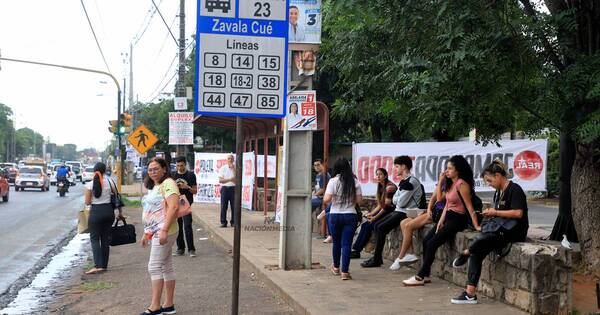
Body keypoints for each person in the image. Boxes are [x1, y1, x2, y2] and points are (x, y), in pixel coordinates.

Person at [450, 160, 528, 304]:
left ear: (498, 176)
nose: (489, 184)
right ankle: (470, 294)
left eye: (490, 180)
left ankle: (466, 252)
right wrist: (490, 214)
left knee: (483, 241)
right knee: (477, 252)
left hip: (514, 231)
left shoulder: (514, 189)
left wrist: (496, 212)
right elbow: (499, 215)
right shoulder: (498, 193)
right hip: (500, 230)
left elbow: (518, 213)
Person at [403, 155, 481, 286]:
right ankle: (426, 274)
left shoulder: (462, 184)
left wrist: (476, 225)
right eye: (447, 168)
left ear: (458, 170)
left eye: (450, 169)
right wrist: (441, 220)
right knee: (427, 240)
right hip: (448, 217)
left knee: (433, 243)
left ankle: (420, 276)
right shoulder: (451, 184)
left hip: (458, 219)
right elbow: (443, 203)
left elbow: (469, 206)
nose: (447, 171)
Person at [361, 156, 423, 268]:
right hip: (399, 210)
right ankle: (377, 258)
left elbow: (401, 202)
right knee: (376, 225)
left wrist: (397, 199)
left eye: (397, 166)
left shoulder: (411, 182)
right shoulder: (404, 181)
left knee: (380, 227)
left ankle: (377, 259)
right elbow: (395, 200)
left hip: (406, 212)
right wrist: (397, 199)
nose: (395, 169)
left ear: (404, 167)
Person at [140, 157, 180, 315]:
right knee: (165, 266)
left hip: (165, 231)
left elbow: (174, 207)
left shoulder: (168, 183)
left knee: (154, 266)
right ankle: (168, 305)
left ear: (164, 169)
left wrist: (163, 230)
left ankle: (155, 306)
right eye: (150, 170)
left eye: (156, 169)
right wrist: (146, 232)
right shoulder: (155, 186)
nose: (153, 172)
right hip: (156, 231)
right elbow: (153, 211)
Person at [389, 171, 451, 270]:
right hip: (433, 212)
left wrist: (440, 182)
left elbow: (439, 199)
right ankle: (410, 253)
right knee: (403, 222)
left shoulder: (448, 186)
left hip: (440, 214)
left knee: (409, 226)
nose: (444, 173)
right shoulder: (441, 185)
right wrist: (430, 209)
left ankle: (400, 257)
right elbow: (432, 200)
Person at [323, 157, 362, 280]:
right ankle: (345, 272)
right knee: (346, 244)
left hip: (335, 215)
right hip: (350, 215)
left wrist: (336, 198)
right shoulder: (355, 182)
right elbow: (360, 201)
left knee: (337, 243)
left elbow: (326, 200)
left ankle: (335, 268)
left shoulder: (333, 181)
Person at [83, 162, 123, 274]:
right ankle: (104, 266)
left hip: (95, 212)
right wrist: (120, 213)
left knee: (95, 239)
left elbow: (87, 202)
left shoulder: (89, 185)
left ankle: (97, 265)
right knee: (105, 239)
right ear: (105, 171)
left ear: (94, 171)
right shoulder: (111, 182)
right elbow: (117, 198)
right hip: (109, 212)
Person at [349, 168, 397, 259]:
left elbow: (386, 207)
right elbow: (380, 205)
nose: (378, 176)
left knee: (369, 225)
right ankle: (355, 250)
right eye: (377, 174)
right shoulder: (380, 186)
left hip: (391, 212)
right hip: (385, 211)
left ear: (386, 175)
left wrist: (375, 217)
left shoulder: (390, 187)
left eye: (380, 174)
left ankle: (357, 251)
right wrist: (371, 214)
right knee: (365, 225)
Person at [172, 156, 197, 258]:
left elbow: (195, 191)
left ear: (185, 164)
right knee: (178, 226)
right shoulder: (173, 175)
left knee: (187, 225)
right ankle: (180, 248)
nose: (179, 167)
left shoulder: (191, 175)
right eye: (178, 165)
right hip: (176, 202)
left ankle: (191, 249)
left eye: (181, 165)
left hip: (186, 202)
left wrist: (187, 187)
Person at [311, 159, 330, 240]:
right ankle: (318, 231)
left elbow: (323, 189)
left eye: (318, 165)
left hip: (323, 198)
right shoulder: (318, 175)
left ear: (322, 165)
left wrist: (315, 195)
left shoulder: (324, 175)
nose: (316, 167)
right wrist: (313, 193)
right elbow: (316, 188)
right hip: (318, 197)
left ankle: (308, 229)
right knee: (317, 213)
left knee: (306, 206)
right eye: (315, 165)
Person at [218, 154, 236, 228]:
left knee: (234, 206)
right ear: (227, 160)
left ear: (233, 160)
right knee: (223, 206)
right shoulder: (223, 168)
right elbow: (221, 180)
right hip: (225, 188)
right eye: (229, 158)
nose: (230, 160)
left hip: (234, 188)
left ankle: (234, 222)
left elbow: (237, 179)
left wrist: (233, 169)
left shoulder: (236, 168)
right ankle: (223, 222)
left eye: (231, 158)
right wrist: (230, 179)